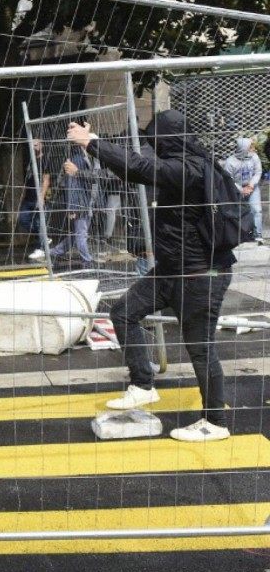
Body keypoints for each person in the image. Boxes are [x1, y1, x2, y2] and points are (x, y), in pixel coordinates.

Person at [69, 111, 234, 442]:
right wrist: (94, 147)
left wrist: (94, 143)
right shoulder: (181, 164)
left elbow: (142, 168)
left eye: (154, 139)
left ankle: (215, 422)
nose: (150, 145)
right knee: (123, 311)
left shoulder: (189, 168)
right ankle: (143, 385)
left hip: (200, 275)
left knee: (201, 348)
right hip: (172, 270)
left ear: (168, 139)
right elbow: (135, 170)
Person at [45, 148, 96, 268]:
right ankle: (87, 261)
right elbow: (72, 185)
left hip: (83, 202)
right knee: (81, 234)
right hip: (80, 204)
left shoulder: (79, 159)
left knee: (77, 234)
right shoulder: (78, 160)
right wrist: (73, 208)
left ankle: (54, 252)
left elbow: (65, 183)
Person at [223, 137, 262, 243]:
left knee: (256, 210)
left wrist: (251, 185)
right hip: (237, 188)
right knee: (240, 212)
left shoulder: (254, 157)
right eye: (251, 147)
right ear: (244, 148)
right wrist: (241, 189)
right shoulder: (230, 162)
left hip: (252, 187)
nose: (253, 149)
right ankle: (242, 235)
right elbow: (228, 179)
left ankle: (258, 235)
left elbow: (258, 172)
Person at [22, 141, 55, 260]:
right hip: (29, 197)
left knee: (39, 223)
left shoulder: (44, 160)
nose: (34, 146)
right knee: (23, 219)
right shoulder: (31, 160)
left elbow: (46, 179)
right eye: (32, 144)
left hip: (38, 198)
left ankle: (41, 248)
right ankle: (43, 238)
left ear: (41, 146)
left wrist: (41, 197)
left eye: (36, 144)